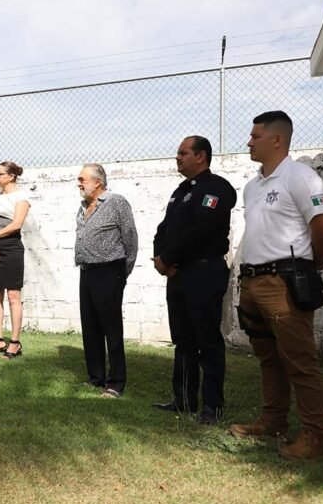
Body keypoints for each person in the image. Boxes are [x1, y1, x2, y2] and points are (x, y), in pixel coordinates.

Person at [230, 111, 323, 460]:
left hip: (284, 283)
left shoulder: (301, 177)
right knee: (268, 357)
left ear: (277, 139)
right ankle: (273, 421)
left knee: (299, 360)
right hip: (252, 282)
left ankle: (315, 437)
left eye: (255, 136)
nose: (249, 141)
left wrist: (310, 267)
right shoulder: (252, 186)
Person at [152, 136, 237, 425]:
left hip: (204, 273)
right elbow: (163, 229)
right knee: (183, 340)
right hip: (178, 275)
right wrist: (160, 259)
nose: (177, 157)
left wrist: (168, 257)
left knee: (207, 340)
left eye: (183, 153)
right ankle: (184, 400)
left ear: (201, 156)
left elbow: (202, 229)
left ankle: (212, 406)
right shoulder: (180, 191)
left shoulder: (217, 188)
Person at [75, 164, 138, 398]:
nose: (78, 183)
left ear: (98, 182)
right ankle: (96, 378)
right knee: (90, 327)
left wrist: (122, 273)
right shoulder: (83, 207)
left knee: (111, 328)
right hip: (87, 271)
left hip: (109, 271)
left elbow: (130, 239)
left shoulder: (116, 202)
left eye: (82, 179)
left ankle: (116, 382)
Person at [0, 161, 31, 359]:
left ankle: (15, 342)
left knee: (13, 296)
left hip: (12, 247)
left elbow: (16, 224)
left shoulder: (21, 197)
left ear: (11, 176)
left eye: (0, 174)